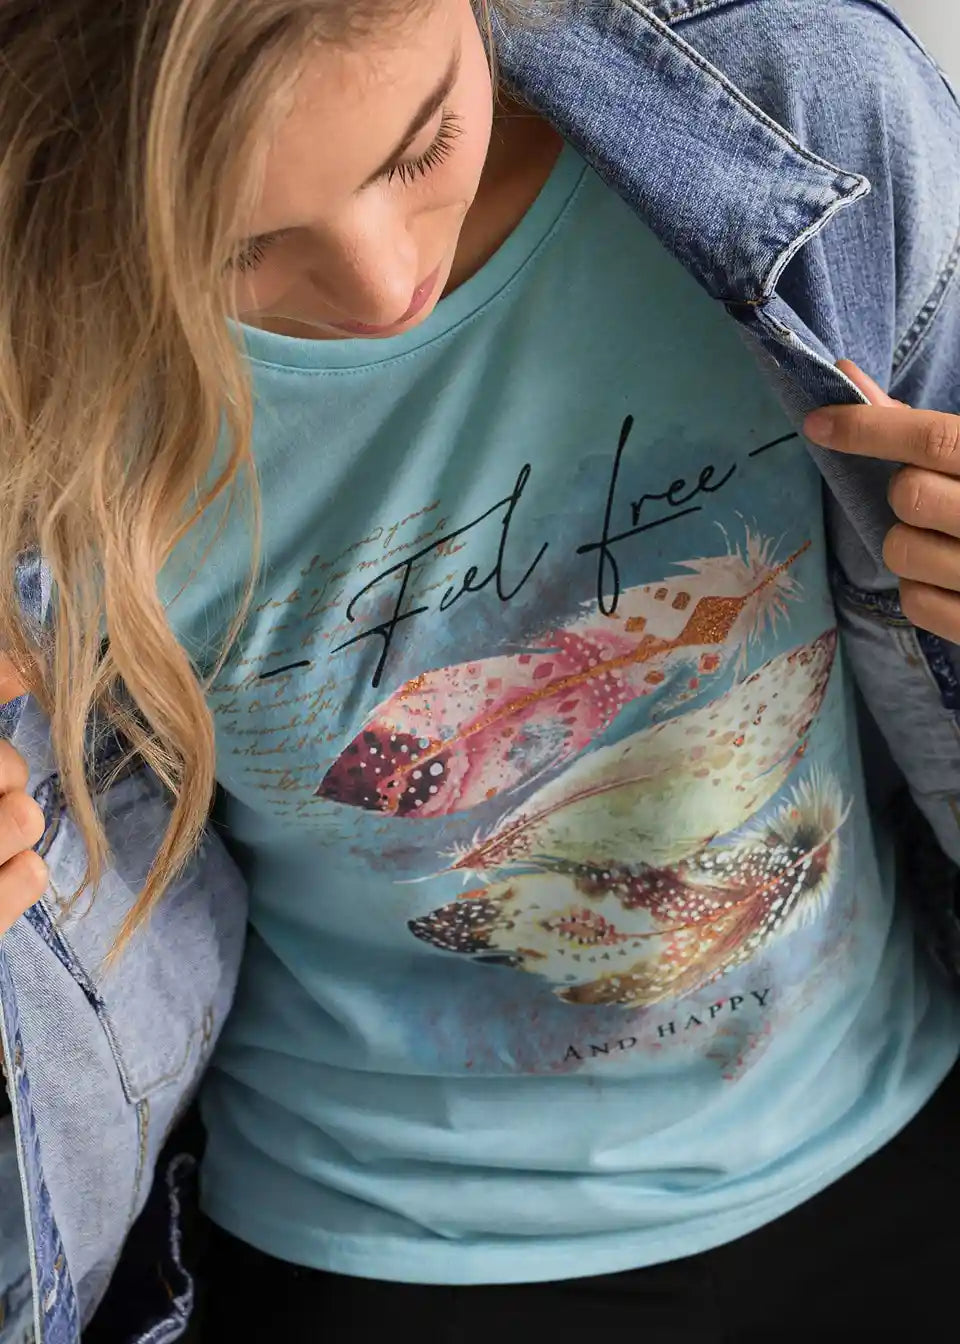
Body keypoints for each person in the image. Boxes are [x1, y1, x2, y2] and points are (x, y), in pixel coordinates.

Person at [0, 1, 959, 1341]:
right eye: (239, 248)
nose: (385, 285)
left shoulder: (805, 119)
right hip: (368, 1249)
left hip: (902, 1142)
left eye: (420, 147)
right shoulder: (35, 376)